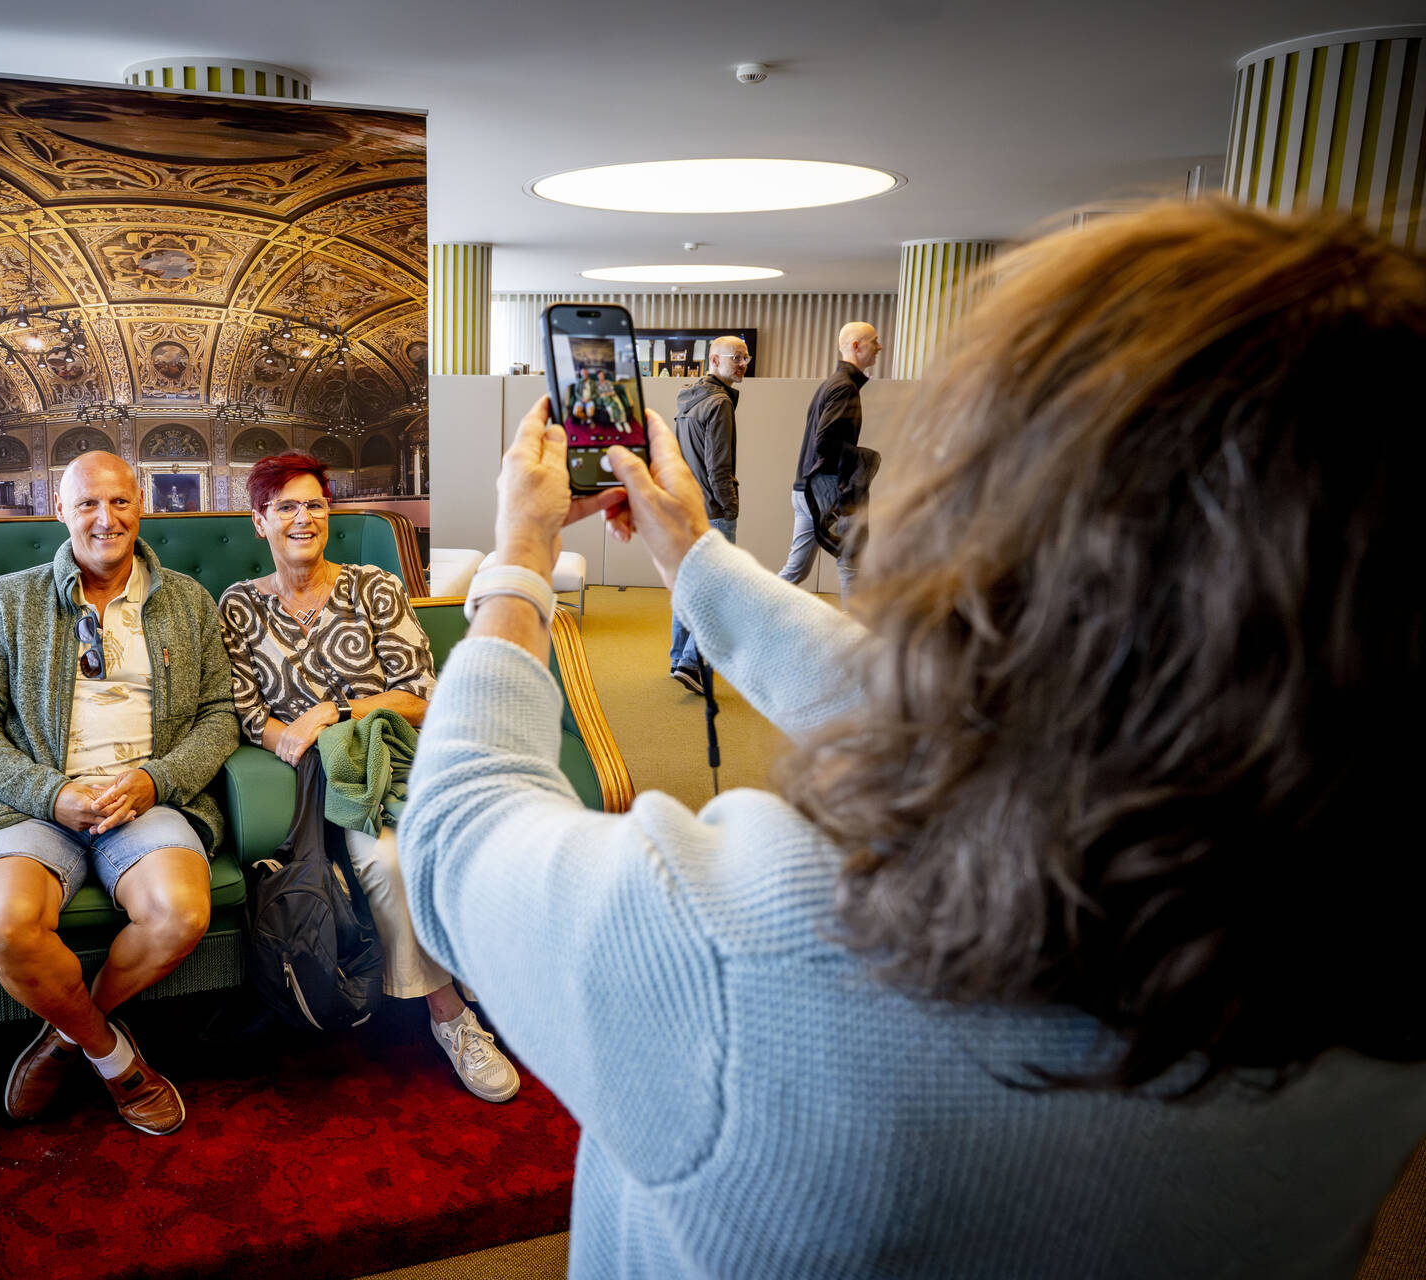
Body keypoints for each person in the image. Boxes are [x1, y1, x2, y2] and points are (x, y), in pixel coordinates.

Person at [397, 203, 1426, 1276]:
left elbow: (459, 833)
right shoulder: (1372, 962)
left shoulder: (755, 949)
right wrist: (694, 557)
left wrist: (515, 561)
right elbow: (946, 716)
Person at [0, 450, 239, 1136]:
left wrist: (153, 781)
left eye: (119, 503)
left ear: (141, 507)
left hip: (148, 800)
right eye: (87, 504)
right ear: (60, 511)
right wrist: (49, 793)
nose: (105, 519)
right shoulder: (12, 598)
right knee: (7, 925)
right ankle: (117, 1062)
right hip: (35, 804)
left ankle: (66, 1037)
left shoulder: (188, 601)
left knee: (180, 914)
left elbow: (220, 715)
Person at [217, 452, 521, 1102]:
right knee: (384, 857)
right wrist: (296, 743)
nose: (304, 519)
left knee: (403, 854)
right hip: (317, 782)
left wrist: (336, 712)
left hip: (392, 762)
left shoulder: (373, 585)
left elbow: (422, 693)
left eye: (316, 505)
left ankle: (468, 1008)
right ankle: (454, 1014)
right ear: (258, 521)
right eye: (287, 507)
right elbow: (248, 715)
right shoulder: (239, 605)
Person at [667, 334, 747, 693]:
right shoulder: (719, 404)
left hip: (687, 507)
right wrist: (729, 507)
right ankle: (691, 663)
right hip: (713, 509)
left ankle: (676, 659)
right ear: (714, 361)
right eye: (736, 358)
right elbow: (718, 467)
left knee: (690, 587)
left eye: (746, 357)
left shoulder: (688, 401)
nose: (743, 363)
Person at [782, 320, 882, 604]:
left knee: (795, 570)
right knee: (851, 564)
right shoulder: (844, 387)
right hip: (826, 488)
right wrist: (863, 458)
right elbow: (824, 441)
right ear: (855, 345)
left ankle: (747, 618)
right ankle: (854, 636)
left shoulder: (833, 384)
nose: (879, 346)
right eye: (874, 341)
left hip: (806, 489)